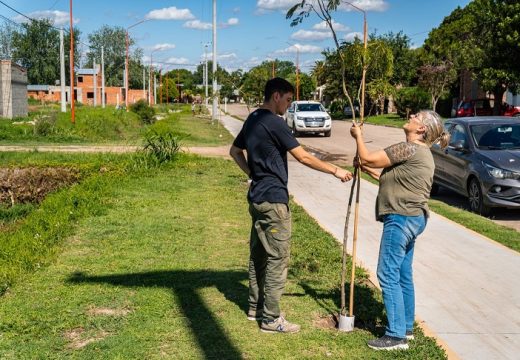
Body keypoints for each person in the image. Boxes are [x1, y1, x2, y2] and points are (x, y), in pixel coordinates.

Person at [230, 77, 353, 334]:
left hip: (256, 197)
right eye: (287, 100)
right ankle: (271, 319)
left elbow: (234, 151)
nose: (288, 105)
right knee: (278, 258)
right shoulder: (274, 123)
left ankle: (255, 307)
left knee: (259, 255)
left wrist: (252, 173)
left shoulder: (253, 119)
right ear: (276, 96)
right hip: (273, 200)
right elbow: (303, 156)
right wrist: (334, 170)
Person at [350, 110, 449, 350]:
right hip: (414, 218)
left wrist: (358, 137)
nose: (412, 115)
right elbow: (388, 177)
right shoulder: (421, 154)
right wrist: (364, 168)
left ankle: (395, 336)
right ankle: (405, 327)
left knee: (387, 273)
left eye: (418, 116)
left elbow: (370, 159)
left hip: (401, 218)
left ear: (422, 129)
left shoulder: (410, 148)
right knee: (403, 273)